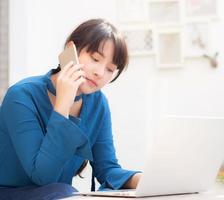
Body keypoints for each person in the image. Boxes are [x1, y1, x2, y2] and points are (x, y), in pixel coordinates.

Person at [0, 18, 141, 199]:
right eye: (95, 58)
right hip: (10, 194)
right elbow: (43, 176)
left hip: (59, 195)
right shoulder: (21, 96)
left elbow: (107, 169)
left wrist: (145, 180)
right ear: (70, 50)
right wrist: (63, 105)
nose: (100, 72)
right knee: (66, 192)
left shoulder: (98, 104)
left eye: (110, 69)